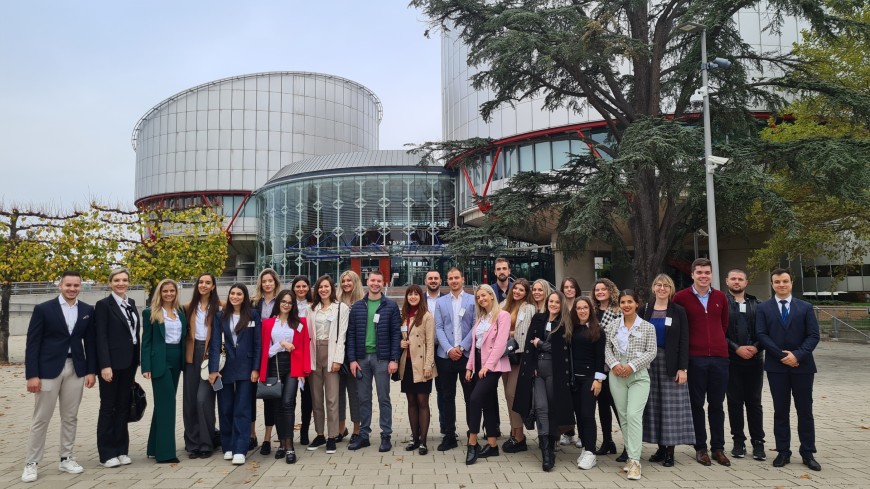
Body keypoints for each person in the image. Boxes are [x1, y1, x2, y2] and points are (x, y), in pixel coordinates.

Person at [21, 271, 96, 483]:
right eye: (68, 285)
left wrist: (91, 371)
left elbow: (90, 343)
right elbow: (32, 344)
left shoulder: (87, 310)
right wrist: (32, 375)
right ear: (60, 285)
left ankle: (66, 458)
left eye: (76, 285)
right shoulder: (43, 309)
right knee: (41, 418)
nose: (72, 289)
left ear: (81, 286)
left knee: (70, 417)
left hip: (76, 369)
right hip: (47, 370)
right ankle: (31, 463)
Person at [755, 268, 821, 471]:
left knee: (805, 411)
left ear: (791, 283)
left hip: (803, 367)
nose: (781, 285)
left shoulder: (805, 307)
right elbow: (761, 334)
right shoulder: (764, 308)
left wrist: (797, 355)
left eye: (785, 281)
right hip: (777, 367)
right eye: (777, 282)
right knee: (780, 411)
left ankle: (808, 453)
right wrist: (782, 356)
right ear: (772, 284)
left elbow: (813, 335)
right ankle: (783, 452)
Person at [673, 258, 731, 467]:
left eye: (707, 272)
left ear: (711, 275)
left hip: (719, 359)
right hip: (694, 359)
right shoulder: (680, 298)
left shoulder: (721, 297)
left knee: (717, 405)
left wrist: (715, 343)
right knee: (696, 405)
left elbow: (723, 325)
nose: (703, 276)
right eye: (699, 272)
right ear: (692, 275)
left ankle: (718, 448)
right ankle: (700, 447)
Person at [513, 291, 574, 471]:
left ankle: (552, 443)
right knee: (541, 407)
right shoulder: (539, 318)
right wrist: (532, 360)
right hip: (537, 370)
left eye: (557, 302)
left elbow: (560, 349)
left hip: (556, 372)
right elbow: (529, 342)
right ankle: (545, 450)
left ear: (561, 304)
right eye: (551, 301)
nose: (553, 304)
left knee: (553, 407)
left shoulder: (564, 322)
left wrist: (540, 344)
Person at [639, 274, 694, 468]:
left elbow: (684, 341)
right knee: (653, 406)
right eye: (658, 285)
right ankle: (660, 448)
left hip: (671, 364)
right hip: (648, 363)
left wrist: (683, 368)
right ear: (653, 288)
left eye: (666, 286)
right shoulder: (644, 310)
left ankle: (670, 451)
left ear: (671, 290)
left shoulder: (678, 311)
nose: (662, 288)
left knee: (670, 409)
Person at [346, 271, 402, 452]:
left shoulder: (390, 306)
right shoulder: (357, 307)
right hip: (362, 359)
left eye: (379, 280)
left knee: (383, 398)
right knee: (364, 399)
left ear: (383, 282)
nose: (375, 283)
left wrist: (394, 359)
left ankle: (386, 435)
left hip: (382, 359)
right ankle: (364, 435)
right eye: (372, 280)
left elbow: (396, 334)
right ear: (367, 282)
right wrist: (352, 360)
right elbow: (351, 335)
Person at [605, 289, 657, 481]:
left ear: (637, 304)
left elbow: (651, 352)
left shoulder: (647, 327)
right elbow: (607, 349)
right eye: (623, 302)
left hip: (638, 375)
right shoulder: (612, 326)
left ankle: (635, 461)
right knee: (624, 417)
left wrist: (632, 366)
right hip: (616, 374)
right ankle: (629, 456)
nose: (626, 305)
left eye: (630, 302)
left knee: (634, 414)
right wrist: (615, 364)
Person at [208, 284, 261, 465]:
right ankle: (228, 445)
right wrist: (213, 370)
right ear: (228, 295)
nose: (235, 296)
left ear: (244, 296)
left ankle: (240, 448)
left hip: (246, 368)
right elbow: (215, 343)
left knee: (242, 408)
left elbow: (257, 343)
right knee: (225, 407)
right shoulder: (220, 316)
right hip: (224, 368)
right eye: (232, 293)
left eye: (239, 294)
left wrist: (256, 368)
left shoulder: (252, 315)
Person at [95, 268, 140, 468]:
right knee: (108, 407)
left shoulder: (130, 304)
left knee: (123, 406)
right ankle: (107, 453)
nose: (121, 283)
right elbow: (101, 337)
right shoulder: (104, 305)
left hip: (128, 364)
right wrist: (105, 365)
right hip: (111, 366)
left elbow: (134, 334)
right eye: (117, 280)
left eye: (124, 280)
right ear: (110, 282)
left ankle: (122, 449)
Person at [259, 289, 311, 464]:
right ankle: (281, 443)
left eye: (290, 302)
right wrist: (280, 345)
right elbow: (264, 352)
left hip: (292, 367)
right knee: (276, 405)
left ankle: (289, 446)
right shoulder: (267, 324)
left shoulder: (300, 323)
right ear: (278, 303)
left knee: (288, 403)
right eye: (284, 302)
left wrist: (304, 372)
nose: (286, 305)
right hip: (273, 367)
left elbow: (304, 347)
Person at [464, 284, 511, 465]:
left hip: (493, 365)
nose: (481, 299)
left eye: (484, 295)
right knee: (488, 403)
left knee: (475, 399)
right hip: (477, 362)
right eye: (478, 297)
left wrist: (487, 366)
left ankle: (472, 442)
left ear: (492, 296)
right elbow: (476, 345)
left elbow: (500, 344)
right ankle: (492, 445)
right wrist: (470, 367)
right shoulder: (481, 317)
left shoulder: (502, 316)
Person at [141, 279, 187, 463]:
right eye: (165, 291)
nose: (169, 294)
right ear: (159, 293)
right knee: (168, 404)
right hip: (160, 361)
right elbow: (146, 342)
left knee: (162, 404)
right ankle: (165, 453)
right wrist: (146, 367)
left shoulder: (180, 312)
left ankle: (154, 447)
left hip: (177, 360)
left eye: (172, 291)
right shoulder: (150, 313)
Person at [432, 267, 476, 451]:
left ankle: (472, 433)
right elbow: (439, 328)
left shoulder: (473, 300)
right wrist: (450, 349)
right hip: (445, 357)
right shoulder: (441, 302)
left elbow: (476, 326)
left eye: (456, 277)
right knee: (447, 397)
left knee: (470, 398)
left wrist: (461, 347)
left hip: (466, 357)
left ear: (463, 279)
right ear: (447, 281)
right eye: (450, 278)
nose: (454, 281)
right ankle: (449, 435)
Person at [724, 268, 766, 461]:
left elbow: (765, 331)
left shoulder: (758, 304)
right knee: (734, 402)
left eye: (740, 279)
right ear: (727, 281)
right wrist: (736, 348)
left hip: (755, 361)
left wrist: (756, 348)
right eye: (733, 278)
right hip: (731, 360)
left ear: (746, 283)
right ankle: (738, 442)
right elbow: (718, 332)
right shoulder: (722, 303)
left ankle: (758, 443)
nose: (737, 282)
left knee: (754, 403)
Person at [306, 275, 350, 454]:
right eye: (320, 287)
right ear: (316, 290)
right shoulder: (311, 309)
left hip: (331, 354)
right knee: (316, 398)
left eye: (326, 286)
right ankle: (319, 434)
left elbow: (342, 336)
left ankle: (332, 436)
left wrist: (338, 359)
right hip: (314, 354)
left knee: (332, 398)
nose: (323, 289)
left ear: (332, 288)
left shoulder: (341, 308)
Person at [183, 273, 221, 459]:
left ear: (213, 286)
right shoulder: (188, 307)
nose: (204, 285)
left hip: (210, 357)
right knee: (190, 401)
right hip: (191, 356)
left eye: (208, 282)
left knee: (202, 400)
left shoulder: (220, 307)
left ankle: (207, 442)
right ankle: (192, 444)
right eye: (201, 282)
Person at [398, 284, 437, 454]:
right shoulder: (404, 315)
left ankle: (423, 441)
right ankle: (414, 437)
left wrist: (429, 365)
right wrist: (401, 343)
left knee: (422, 402)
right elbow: (401, 336)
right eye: (410, 294)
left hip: (422, 366)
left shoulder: (427, 316)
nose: (413, 297)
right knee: (411, 402)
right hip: (407, 365)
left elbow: (430, 343)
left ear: (421, 296)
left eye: (416, 294)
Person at [499, 278, 536, 454]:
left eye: (522, 290)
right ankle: (514, 432)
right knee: (507, 395)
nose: (517, 292)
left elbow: (528, 331)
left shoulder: (529, 308)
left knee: (512, 393)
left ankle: (520, 436)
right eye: (516, 289)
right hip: (505, 355)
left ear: (526, 292)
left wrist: (509, 332)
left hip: (519, 355)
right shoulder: (504, 305)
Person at [570, 296, 606, 470]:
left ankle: (591, 452)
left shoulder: (597, 330)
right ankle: (585, 447)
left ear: (590, 310)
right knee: (579, 415)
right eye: (579, 308)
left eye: (585, 307)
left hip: (590, 379)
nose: (582, 311)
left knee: (587, 414)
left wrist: (598, 380)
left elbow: (601, 358)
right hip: (574, 379)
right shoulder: (572, 329)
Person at [591, 278, 624, 460]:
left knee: (618, 405)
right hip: (597, 364)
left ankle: (629, 444)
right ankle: (607, 441)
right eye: (597, 290)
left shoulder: (618, 311)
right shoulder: (592, 312)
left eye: (604, 289)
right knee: (602, 405)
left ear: (610, 291)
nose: (600, 292)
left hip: (613, 364)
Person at [252, 268, 281, 455]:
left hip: (274, 355)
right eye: (264, 281)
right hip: (255, 354)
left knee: (270, 396)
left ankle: (267, 438)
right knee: (249, 396)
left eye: (270, 281)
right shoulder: (254, 304)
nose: (267, 284)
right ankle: (252, 434)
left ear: (275, 283)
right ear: (260, 284)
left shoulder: (282, 303)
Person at [337, 270, 364, 444]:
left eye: (349, 281)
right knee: (337, 393)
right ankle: (340, 429)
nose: (346, 283)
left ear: (355, 283)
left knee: (355, 394)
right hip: (338, 353)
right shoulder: (336, 302)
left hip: (356, 354)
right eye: (343, 281)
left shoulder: (362, 303)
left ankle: (357, 429)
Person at [558, 276, 582, 447]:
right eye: (566, 287)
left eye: (572, 287)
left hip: (578, 352)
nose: (569, 289)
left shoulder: (582, 304)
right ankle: (568, 431)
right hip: (563, 352)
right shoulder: (559, 305)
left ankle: (583, 433)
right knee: (565, 395)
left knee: (580, 397)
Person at [290, 275, 314, 445]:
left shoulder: (313, 306)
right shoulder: (287, 305)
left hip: (308, 353)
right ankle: (287, 432)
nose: (301, 289)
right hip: (291, 354)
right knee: (289, 396)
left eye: (304, 286)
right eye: (297, 286)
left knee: (308, 397)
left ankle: (305, 430)